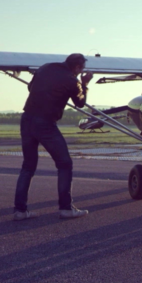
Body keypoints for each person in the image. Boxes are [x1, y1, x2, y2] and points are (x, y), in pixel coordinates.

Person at [13, 53, 92, 221]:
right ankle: (65, 208)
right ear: (77, 67)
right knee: (65, 164)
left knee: (28, 166)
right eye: (81, 69)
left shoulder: (46, 67)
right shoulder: (73, 81)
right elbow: (80, 103)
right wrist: (85, 83)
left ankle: (20, 210)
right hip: (46, 123)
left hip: (27, 118)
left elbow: (30, 87)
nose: (81, 72)